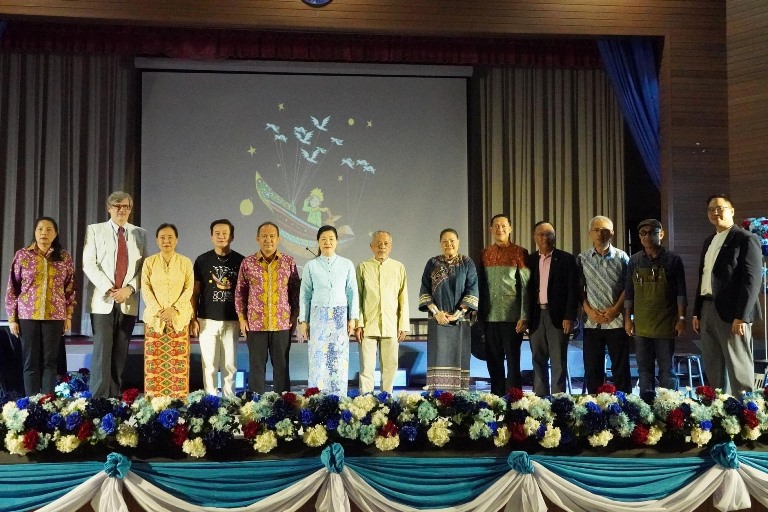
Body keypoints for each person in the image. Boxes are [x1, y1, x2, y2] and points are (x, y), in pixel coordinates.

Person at [693, 194, 763, 395]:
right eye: (711, 209)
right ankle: (718, 410)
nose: (715, 212)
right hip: (707, 309)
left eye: (720, 208)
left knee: (738, 366)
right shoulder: (709, 241)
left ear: (732, 211)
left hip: (733, 313)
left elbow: (752, 281)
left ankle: (746, 410)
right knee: (713, 365)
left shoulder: (746, 239)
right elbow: (704, 277)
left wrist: (742, 316)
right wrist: (697, 312)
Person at [82, 191, 147, 398]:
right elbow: (89, 264)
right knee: (102, 351)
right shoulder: (95, 230)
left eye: (125, 206)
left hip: (128, 300)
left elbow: (144, 269)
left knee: (120, 352)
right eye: (117, 206)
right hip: (103, 299)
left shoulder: (140, 233)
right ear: (109, 208)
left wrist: (129, 289)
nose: (121, 210)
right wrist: (109, 289)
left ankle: (114, 397)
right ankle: (99, 399)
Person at [5, 217, 76, 395]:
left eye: (49, 229)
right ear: (35, 232)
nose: (44, 233)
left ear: (56, 234)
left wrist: (68, 315)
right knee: (30, 362)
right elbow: (12, 287)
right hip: (28, 315)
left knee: (50, 362)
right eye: (40, 229)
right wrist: (12, 318)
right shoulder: (22, 255)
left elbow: (70, 288)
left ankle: (47, 402)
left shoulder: (64, 257)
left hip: (55, 315)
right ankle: (32, 402)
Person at [235, 222, 300, 394]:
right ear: (257, 238)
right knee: (256, 367)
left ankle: (283, 403)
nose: (268, 240)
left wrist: (294, 316)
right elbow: (240, 292)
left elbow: (295, 291)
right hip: (255, 325)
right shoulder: (248, 263)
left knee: (282, 367)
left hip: (281, 323)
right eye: (264, 236)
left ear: (278, 239)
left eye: (272, 236)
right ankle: (255, 405)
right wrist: (242, 318)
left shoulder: (288, 262)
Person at [625, 219, 687, 393]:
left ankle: (670, 405)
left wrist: (681, 318)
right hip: (641, 324)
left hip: (666, 323)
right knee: (644, 370)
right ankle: (646, 404)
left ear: (661, 234)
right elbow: (629, 294)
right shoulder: (634, 261)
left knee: (667, 369)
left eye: (652, 232)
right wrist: (628, 319)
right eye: (643, 233)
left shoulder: (673, 260)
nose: (647, 236)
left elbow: (681, 293)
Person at [298, 225, 359, 396]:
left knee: (338, 358)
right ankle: (316, 397)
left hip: (340, 316)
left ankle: (338, 397)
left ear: (337, 241)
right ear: (318, 242)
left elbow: (352, 292)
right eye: (323, 239)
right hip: (318, 315)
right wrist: (303, 320)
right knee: (318, 358)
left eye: (331, 239)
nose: (327, 242)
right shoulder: (311, 265)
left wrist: (353, 318)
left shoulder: (346, 264)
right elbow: (305, 294)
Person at [419, 228, 479, 391]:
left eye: (452, 240)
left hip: (460, 319)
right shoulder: (432, 263)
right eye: (445, 241)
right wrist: (436, 313)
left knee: (459, 356)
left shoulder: (467, 263)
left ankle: (459, 399)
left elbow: (472, 289)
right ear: (440, 244)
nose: (449, 244)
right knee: (438, 356)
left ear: (458, 242)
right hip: (437, 320)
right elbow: (425, 290)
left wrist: (457, 314)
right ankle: (438, 397)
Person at [190, 219, 245, 398]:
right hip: (206, 320)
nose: (221, 237)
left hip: (232, 320)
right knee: (209, 365)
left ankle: (229, 400)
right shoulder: (202, 260)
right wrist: (193, 318)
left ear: (232, 236)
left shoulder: (241, 261)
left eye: (225, 233)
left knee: (229, 364)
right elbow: (195, 292)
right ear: (211, 237)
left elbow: (245, 293)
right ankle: (211, 400)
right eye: (217, 234)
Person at [576, 216, 631, 394]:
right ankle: (594, 406)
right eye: (596, 230)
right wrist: (588, 311)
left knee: (621, 370)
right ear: (590, 233)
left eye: (605, 230)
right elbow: (578, 289)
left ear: (612, 233)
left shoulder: (622, 257)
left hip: (617, 321)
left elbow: (629, 287)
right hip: (592, 322)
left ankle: (625, 405)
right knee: (593, 370)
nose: (601, 233)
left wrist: (616, 309)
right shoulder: (582, 258)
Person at [478, 214, 530, 396]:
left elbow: (526, 286)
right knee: (493, 361)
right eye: (496, 226)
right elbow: (481, 285)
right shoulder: (485, 253)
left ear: (510, 228)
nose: (500, 229)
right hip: (490, 317)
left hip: (512, 318)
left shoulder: (520, 252)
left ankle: (515, 399)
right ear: (491, 229)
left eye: (503, 226)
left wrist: (524, 315)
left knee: (513, 362)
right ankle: (496, 399)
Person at [141, 224, 194, 398]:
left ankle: (178, 405)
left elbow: (189, 289)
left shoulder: (185, 262)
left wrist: (174, 310)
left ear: (176, 240)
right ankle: (154, 405)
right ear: (157, 240)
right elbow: (145, 289)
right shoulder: (149, 262)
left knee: (177, 367)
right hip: (155, 321)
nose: (166, 241)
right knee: (154, 367)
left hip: (179, 320)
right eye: (162, 238)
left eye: (170, 237)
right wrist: (160, 312)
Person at [527, 221, 578, 396]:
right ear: (534, 237)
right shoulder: (529, 260)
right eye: (541, 234)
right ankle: (540, 401)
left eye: (549, 234)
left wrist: (569, 316)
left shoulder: (566, 259)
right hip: (535, 316)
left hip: (558, 317)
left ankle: (558, 400)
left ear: (554, 236)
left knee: (558, 362)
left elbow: (573, 291)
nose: (545, 238)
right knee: (537, 360)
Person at [355, 231, 410, 394]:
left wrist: (403, 325)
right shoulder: (363, 267)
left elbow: (403, 298)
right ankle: (366, 401)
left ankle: (387, 399)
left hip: (391, 325)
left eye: (386, 243)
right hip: (368, 326)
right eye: (378, 243)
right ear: (371, 246)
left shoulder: (398, 267)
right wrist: (358, 324)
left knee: (390, 367)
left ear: (391, 246)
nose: (382, 247)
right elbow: (357, 297)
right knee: (366, 367)